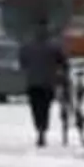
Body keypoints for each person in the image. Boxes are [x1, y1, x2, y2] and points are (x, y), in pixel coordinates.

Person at [19, 19, 69, 148]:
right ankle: (43, 130)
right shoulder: (53, 46)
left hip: (33, 83)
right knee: (45, 107)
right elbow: (63, 61)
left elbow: (22, 62)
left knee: (35, 108)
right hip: (48, 83)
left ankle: (39, 128)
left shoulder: (27, 46)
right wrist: (63, 71)